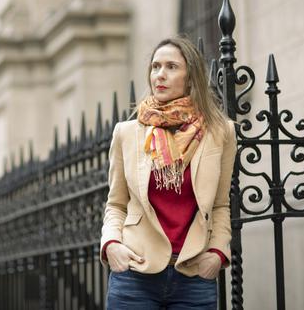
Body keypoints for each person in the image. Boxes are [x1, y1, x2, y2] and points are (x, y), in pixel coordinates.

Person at [100, 34, 236, 309]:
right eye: (155, 66)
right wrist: (112, 244)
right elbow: (116, 204)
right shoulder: (127, 133)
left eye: (172, 67)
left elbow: (221, 204)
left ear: (190, 77)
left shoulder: (220, 132)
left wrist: (218, 253)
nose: (160, 75)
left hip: (193, 275)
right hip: (135, 274)